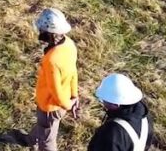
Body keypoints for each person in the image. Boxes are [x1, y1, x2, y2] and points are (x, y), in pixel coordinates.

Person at [13, 8, 79, 151]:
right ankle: (31, 140)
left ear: (50, 33)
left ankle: (37, 142)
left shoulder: (52, 60)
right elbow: (73, 71)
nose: (40, 33)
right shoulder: (69, 44)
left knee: (47, 142)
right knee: (43, 127)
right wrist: (74, 96)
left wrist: (67, 105)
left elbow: (56, 92)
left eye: (42, 31)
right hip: (65, 99)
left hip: (50, 107)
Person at [88, 74, 153, 151]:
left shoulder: (112, 133)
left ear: (116, 104)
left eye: (104, 100)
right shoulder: (144, 116)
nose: (103, 103)